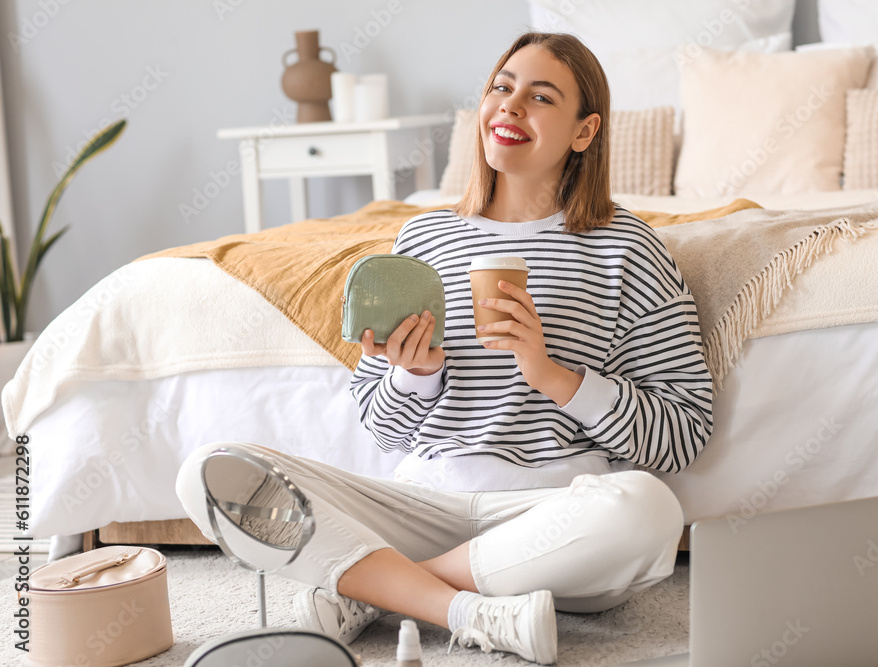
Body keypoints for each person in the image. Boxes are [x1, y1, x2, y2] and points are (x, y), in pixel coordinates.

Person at [177, 31, 712, 664]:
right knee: (210, 470)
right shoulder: (425, 237)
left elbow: (685, 431)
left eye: (541, 97)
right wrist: (416, 376)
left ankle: (378, 588)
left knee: (648, 509)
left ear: (584, 132)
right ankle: (465, 609)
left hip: (552, 512)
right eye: (501, 88)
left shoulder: (627, 247)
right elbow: (382, 427)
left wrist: (551, 375)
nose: (510, 107)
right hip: (422, 497)